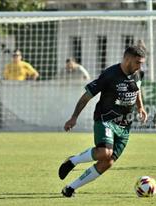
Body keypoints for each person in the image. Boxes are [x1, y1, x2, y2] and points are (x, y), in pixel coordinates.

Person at [58, 45, 147, 197]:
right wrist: (74, 117)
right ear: (127, 59)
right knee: (105, 152)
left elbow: (136, 90)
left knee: (108, 162)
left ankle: (70, 188)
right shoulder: (110, 75)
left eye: (142, 63)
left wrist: (141, 108)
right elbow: (87, 96)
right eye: (138, 62)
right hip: (105, 120)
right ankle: (74, 160)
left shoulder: (137, 74)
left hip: (125, 125)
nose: (140, 66)